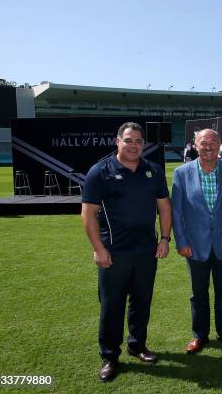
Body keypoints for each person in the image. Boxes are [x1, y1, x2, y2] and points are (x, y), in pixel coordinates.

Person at [81, 122, 172, 382]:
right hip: (113, 252)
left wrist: (165, 238)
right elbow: (88, 213)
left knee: (141, 302)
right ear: (117, 141)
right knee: (112, 305)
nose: (134, 146)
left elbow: (164, 207)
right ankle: (109, 356)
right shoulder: (100, 171)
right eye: (129, 140)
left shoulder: (152, 171)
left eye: (139, 141)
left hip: (146, 251)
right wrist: (99, 248)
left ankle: (137, 345)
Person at [172, 129, 222, 354]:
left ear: (220, 145)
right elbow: (177, 212)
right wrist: (181, 241)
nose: (208, 147)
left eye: (213, 142)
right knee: (198, 294)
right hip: (195, 246)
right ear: (195, 145)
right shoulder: (181, 173)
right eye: (203, 143)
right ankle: (199, 335)